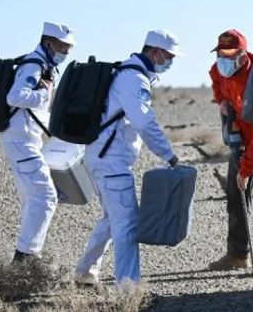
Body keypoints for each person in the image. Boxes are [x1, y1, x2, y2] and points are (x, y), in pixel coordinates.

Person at [74, 29, 182, 287]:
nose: (170, 62)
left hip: (102, 158)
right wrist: (169, 156)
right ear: (155, 52)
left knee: (113, 219)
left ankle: (85, 273)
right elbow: (145, 122)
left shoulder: (129, 74)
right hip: (111, 161)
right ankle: (128, 288)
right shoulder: (133, 79)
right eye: (169, 56)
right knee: (128, 224)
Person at [207, 29, 253, 271]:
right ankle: (237, 255)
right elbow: (217, 84)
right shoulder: (218, 69)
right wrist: (222, 101)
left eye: (230, 54)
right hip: (238, 140)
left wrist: (247, 169)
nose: (225, 60)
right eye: (221, 53)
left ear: (242, 54)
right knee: (235, 196)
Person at [3, 22, 75, 263]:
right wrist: (45, 94)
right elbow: (15, 97)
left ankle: (27, 255)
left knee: (33, 198)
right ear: (48, 43)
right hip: (21, 141)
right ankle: (25, 258)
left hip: (25, 140)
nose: (66, 52)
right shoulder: (34, 64)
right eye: (63, 47)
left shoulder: (43, 65)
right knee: (45, 196)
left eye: (68, 48)